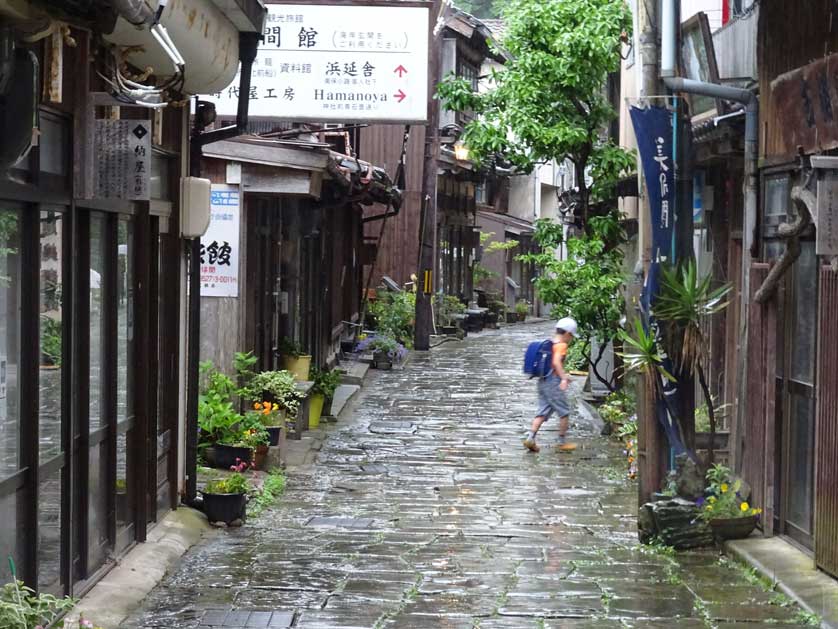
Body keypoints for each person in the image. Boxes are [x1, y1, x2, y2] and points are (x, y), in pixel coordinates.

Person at [523, 317, 578, 453]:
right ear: (567, 333)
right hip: (553, 383)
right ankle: (561, 442)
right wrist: (563, 378)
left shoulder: (551, 343)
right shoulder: (562, 345)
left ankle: (530, 438)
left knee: (542, 412)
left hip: (542, 381)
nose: (571, 339)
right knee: (564, 412)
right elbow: (556, 362)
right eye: (571, 336)